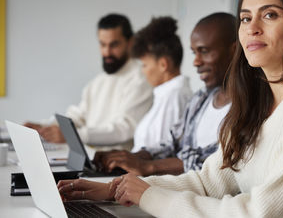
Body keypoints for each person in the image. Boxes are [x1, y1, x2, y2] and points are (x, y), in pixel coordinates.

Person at [59, 0, 283, 216]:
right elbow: (208, 182)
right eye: (246, 18)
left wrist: (150, 197)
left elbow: (263, 214)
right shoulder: (256, 101)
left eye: (270, 15)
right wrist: (118, 189)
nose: (252, 27)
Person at [92, 12, 236, 176]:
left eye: (204, 51)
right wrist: (130, 157)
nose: (196, 62)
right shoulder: (200, 99)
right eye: (194, 53)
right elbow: (172, 143)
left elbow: (215, 160)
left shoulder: (250, 108)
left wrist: (147, 166)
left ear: (235, 51)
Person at [25, 14, 153, 150]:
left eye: (114, 45)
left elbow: (124, 129)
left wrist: (73, 136)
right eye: (102, 44)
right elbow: (78, 117)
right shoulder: (98, 82)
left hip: (119, 166)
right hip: (92, 159)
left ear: (130, 42)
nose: (107, 52)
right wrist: (44, 127)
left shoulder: (141, 79)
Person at [123, 16, 193, 152]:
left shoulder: (175, 96)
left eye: (144, 65)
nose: (142, 71)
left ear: (163, 64)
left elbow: (161, 153)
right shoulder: (166, 95)